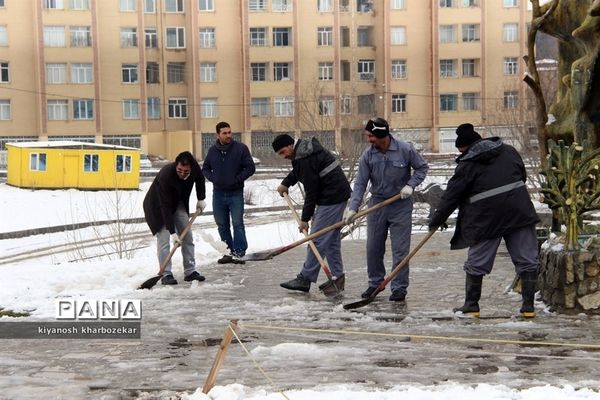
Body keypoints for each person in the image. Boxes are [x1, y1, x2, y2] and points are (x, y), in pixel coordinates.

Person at [428, 123, 540, 318]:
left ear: (466, 147)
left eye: (460, 150)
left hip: (486, 218)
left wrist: (437, 219)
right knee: (527, 260)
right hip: (519, 211)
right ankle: (528, 307)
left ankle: (472, 305)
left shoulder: (468, 163)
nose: (460, 154)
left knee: (477, 261)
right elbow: (522, 175)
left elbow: (452, 196)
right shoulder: (509, 150)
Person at [344, 117, 429, 301]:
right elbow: (360, 184)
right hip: (377, 205)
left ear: (382, 135)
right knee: (373, 248)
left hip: (400, 205)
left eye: (371, 136)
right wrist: (353, 207)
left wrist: (411, 185)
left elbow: (422, 168)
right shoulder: (368, 155)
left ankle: (399, 288)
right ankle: (375, 284)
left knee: (400, 250)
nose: (369, 139)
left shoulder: (405, 149)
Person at [272, 134, 351, 293]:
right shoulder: (304, 151)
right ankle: (337, 278)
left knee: (316, 239)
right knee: (330, 240)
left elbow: (311, 191)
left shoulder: (304, 157)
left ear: (290, 145)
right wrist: (286, 183)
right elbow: (299, 172)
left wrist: (305, 219)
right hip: (336, 195)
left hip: (332, 198)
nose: (283, 156)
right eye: (280, 154)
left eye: (283, 152)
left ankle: (305, 279)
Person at [143, 151, 207, 285]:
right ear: (175, 165)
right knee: (164, 239)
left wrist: (201, 199)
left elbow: (200, 179)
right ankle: (166, 274)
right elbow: (165, 206)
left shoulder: (194, 168)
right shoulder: (166, 175)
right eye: (180, 170)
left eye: (186, 171)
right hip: (157, 206)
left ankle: (190, 271)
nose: (183, 174)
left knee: (187, 236)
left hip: (178, 202)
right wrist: (172, 232)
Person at [202, 121, 256, 264]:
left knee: (237, 223)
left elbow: (250, 168)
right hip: (218, 193)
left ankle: (239, 252)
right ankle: (227, 252)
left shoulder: (240, 149)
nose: (228, 135)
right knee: (222, 224)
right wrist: (214, 178)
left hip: (235, 192)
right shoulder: (213, 151)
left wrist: (237, 179)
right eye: (224, 133)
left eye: (229, 132)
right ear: (218, 134)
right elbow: (205, 168)